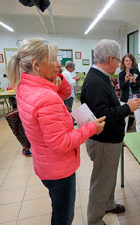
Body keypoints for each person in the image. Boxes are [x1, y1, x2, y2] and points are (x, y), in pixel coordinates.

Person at [7, 37, 105, 225]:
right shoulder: (45, 97)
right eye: (53, 59)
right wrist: (92, 127)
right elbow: (61, 143)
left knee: (57, 206)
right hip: (59, 169)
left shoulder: (24, 87)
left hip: (44, 164)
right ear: (36, 65)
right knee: (63, 217)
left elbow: (64, 93)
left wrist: (57, 75)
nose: (59, 63)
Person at [80, 39, 140, 225]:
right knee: (101, 181)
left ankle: (108, 203)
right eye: (119, 60)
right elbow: (102, 115)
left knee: (108, 177)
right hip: (103, 142)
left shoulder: (99, 77)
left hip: (108, 140)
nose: (120, 64)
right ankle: (95, 220)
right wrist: (127, 108)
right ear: (112, 58)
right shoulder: (95, 82)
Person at [119, 53, 140, 132]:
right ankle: (122, 137)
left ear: (132, 62)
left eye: (130, 60)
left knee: (139, 118)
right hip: (125, 99)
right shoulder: (121, 74)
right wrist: (126, 80)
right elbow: (122, 87)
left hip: (136, 97)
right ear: (123, 62)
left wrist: (134, 81)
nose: (128, 62)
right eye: (126, 60)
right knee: (124, 119)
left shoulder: (136, 71)